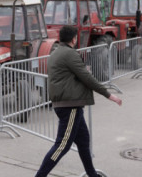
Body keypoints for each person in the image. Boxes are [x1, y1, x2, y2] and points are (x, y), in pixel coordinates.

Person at [35, 25, 122, 177]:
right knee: (62, 145)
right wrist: (109, 95)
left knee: (83, 141)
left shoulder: (56, 53)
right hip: (70, 105)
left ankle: (92, 174)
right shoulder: (70, 54)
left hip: (68, 104)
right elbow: (87, 78)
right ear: (74, 39)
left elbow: (69, 76)